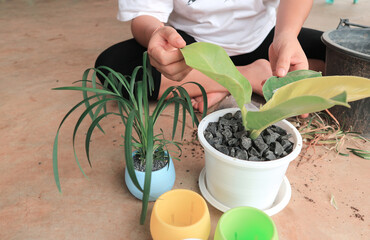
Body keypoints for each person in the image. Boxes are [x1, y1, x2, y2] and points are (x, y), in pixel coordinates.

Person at [95, 0, 326, 113]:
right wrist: (157, 34)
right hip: (192, 49)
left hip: (263, 39)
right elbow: (144, 13)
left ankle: (216, 82)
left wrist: (286, 35)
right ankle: (249, 76)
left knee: (339, 51)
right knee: (114, 68)